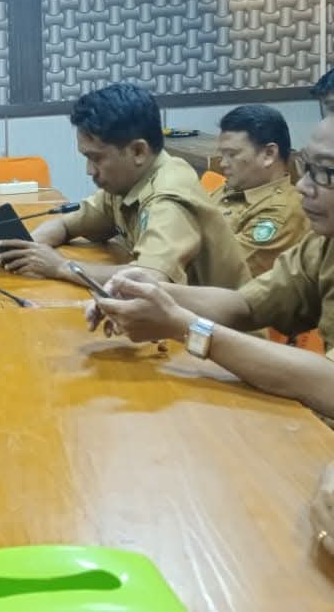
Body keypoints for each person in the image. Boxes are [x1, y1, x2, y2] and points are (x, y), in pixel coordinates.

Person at [86, 116, 334, 559]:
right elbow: (245, 304)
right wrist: (150, 292)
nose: (303, 186)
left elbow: (329, 385)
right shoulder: (324, 245)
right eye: (307, 168)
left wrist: (183, 326)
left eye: (325, 174)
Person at [0, 82, 250, 288]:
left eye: (96, 158)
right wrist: (28, 248)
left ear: (138, 151)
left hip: (220, 333)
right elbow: (67, 225)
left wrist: (61, 266)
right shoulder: (127, 182)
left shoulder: (170, 196)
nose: (89, 171)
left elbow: (148, 279)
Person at [210, 105, 307, 276]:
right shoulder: (232, 187)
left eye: (232, 154)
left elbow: (223, 271)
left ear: (269, 154)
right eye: (222, 155)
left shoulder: (281, 211)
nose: (223, 164)